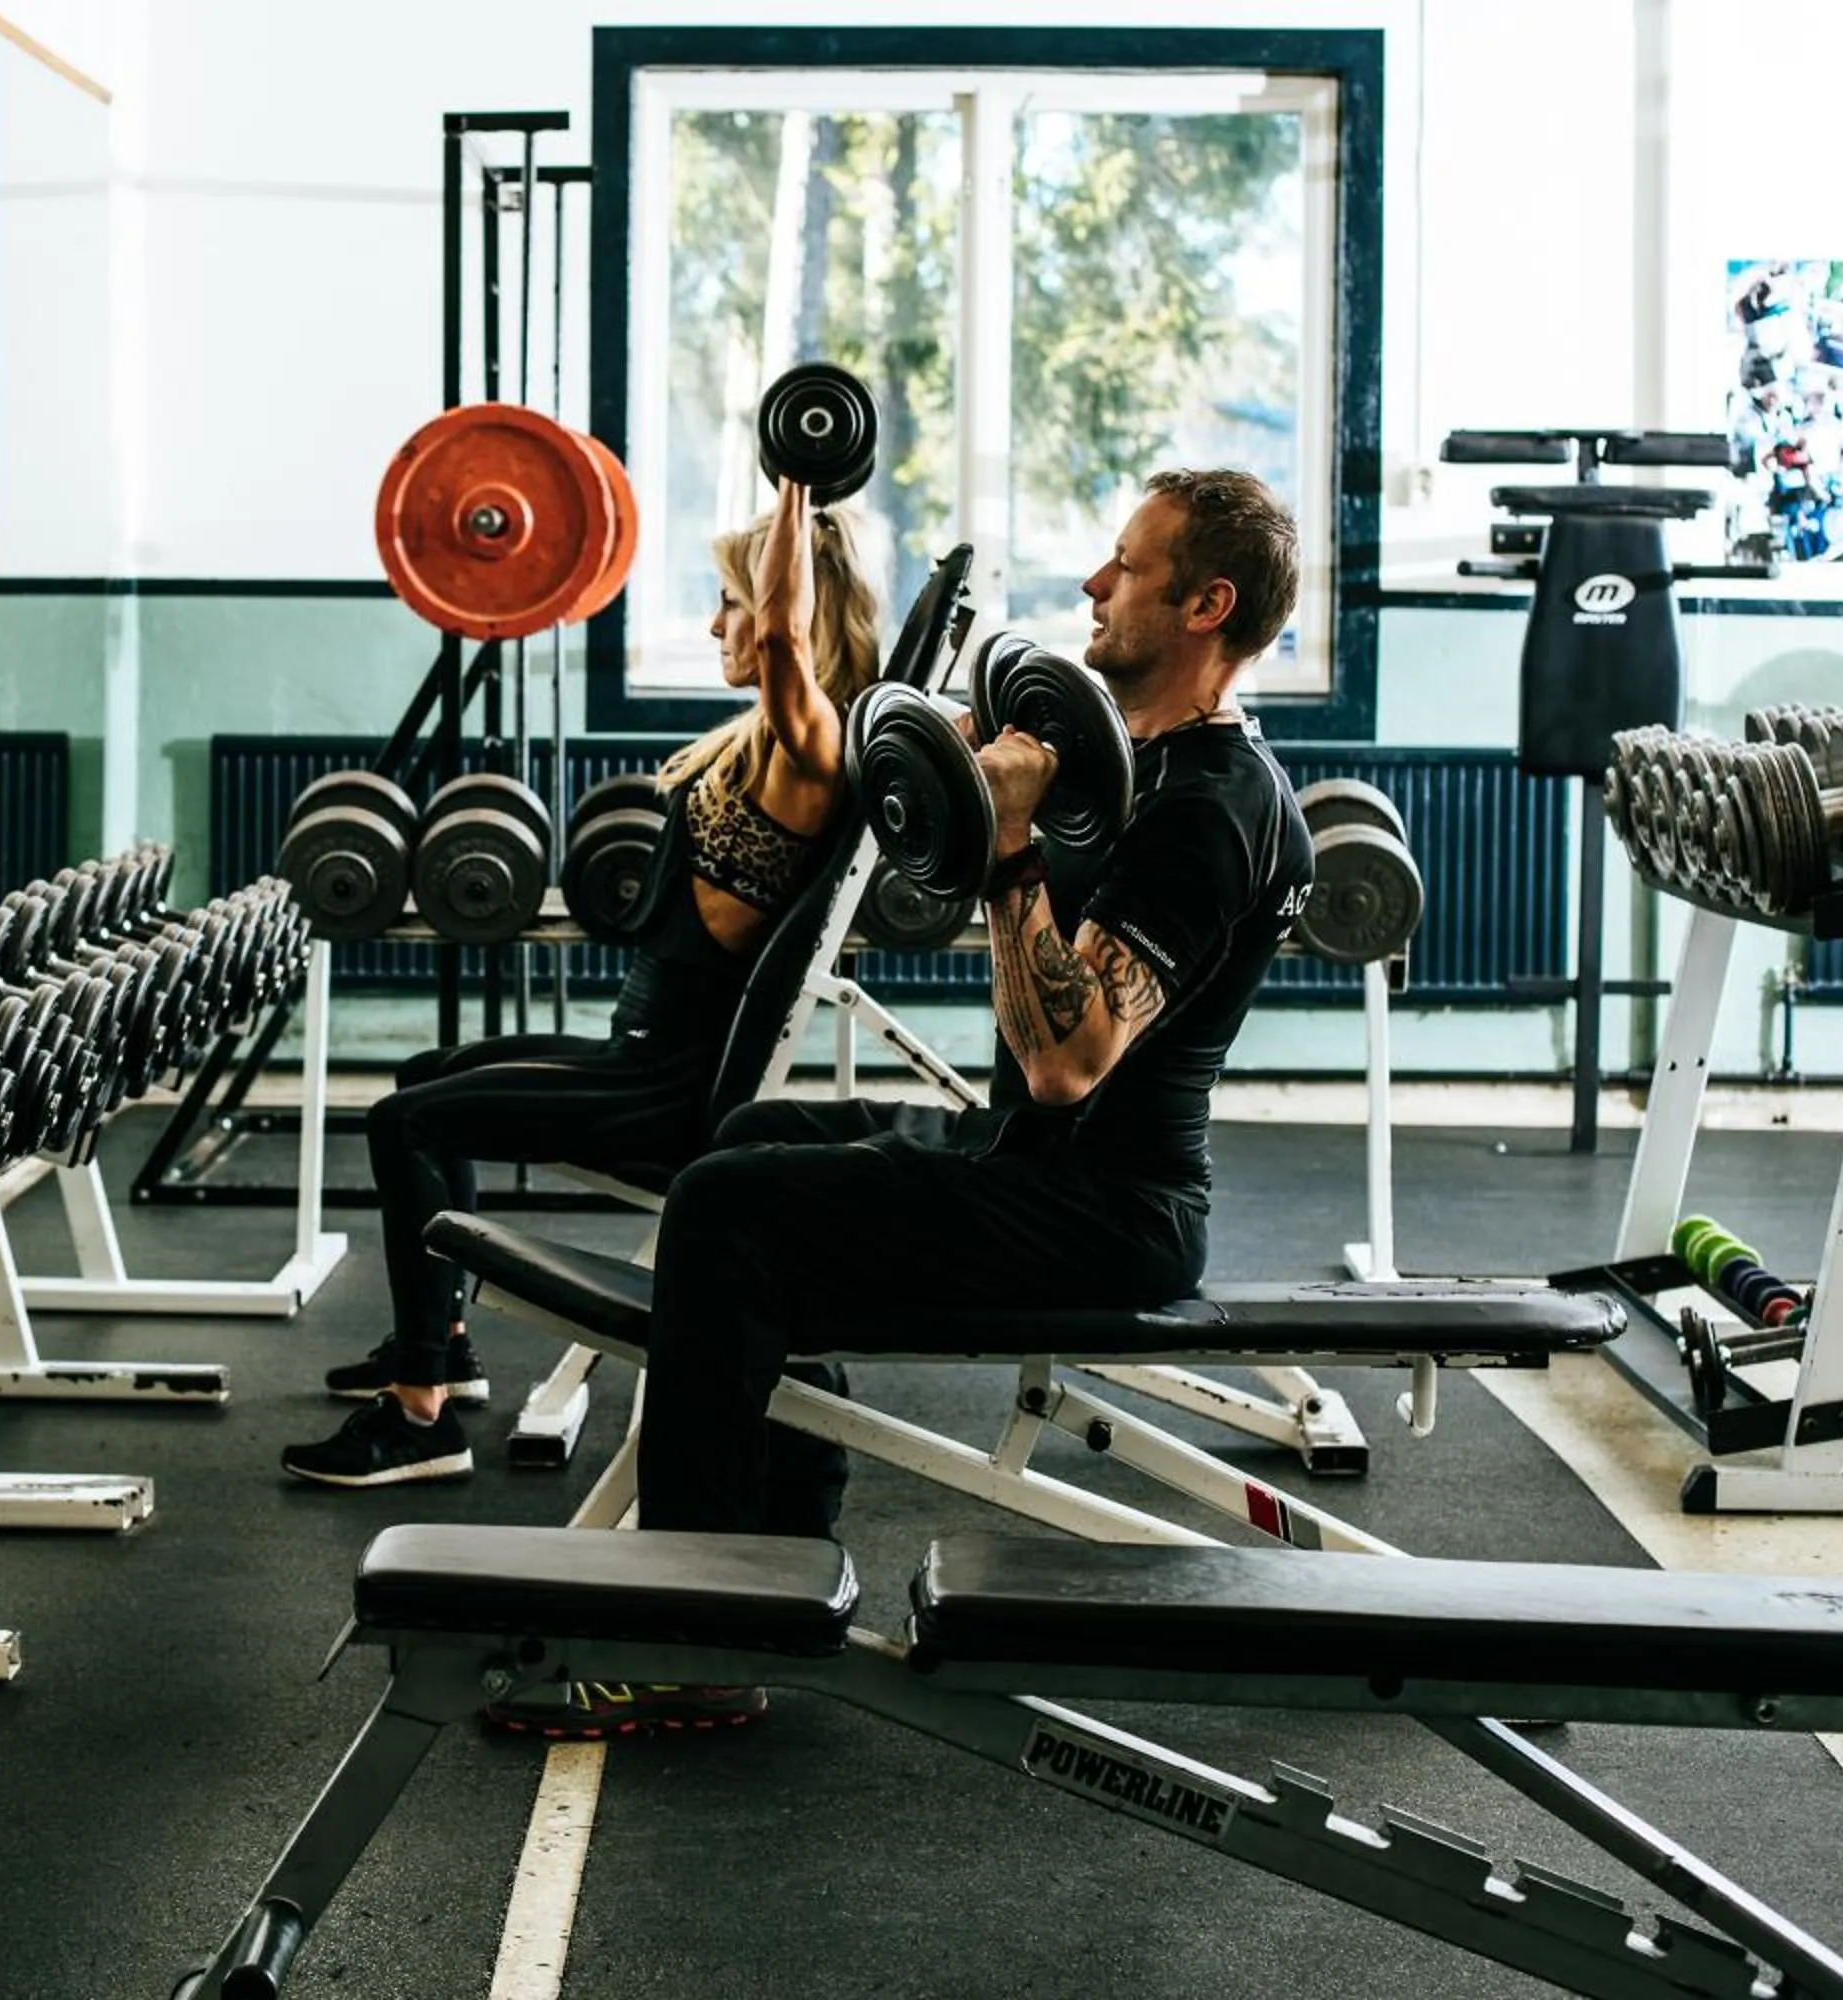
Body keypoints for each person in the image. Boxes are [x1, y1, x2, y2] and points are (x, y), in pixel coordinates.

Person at [509, 469, 1313, 1737]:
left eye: (1128, 566)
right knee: (756, 1136)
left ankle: (687, 1636)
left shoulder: (1211, 808)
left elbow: (1068, 1062)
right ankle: (780, 1551)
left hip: (1104, 1204)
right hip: (1033, 1159)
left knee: (724, 1204)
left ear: (1206, 605)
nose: (1095, 582)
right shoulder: (1139, 763)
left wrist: (1008, 843)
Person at [280, 476, 886, 1490]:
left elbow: (784, 633)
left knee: (404, 1125)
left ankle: (419, 1410)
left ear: (793, 614)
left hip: (665, 1084)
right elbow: (780, 633)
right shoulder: (770, 742)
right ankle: (444, 1340)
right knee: (427, 1080)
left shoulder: (809, 752)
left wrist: (795, 481)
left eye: (730, 602)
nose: (718, 624)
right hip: (639, 1051)